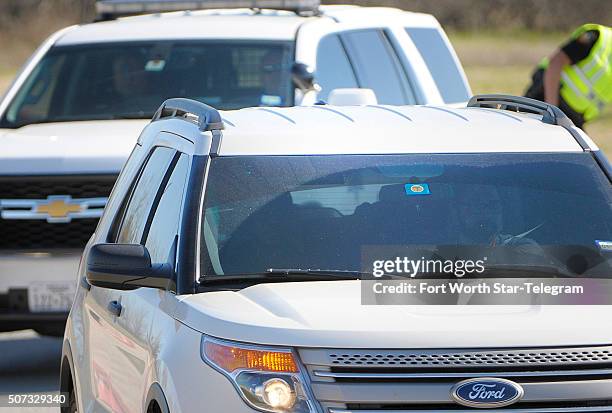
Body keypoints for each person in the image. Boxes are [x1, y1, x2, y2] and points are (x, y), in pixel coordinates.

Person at [524, 24, 611, 129]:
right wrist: (552, 114)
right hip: (546, 101)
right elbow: (556, 64)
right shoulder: (599, 38)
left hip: (572, 119)